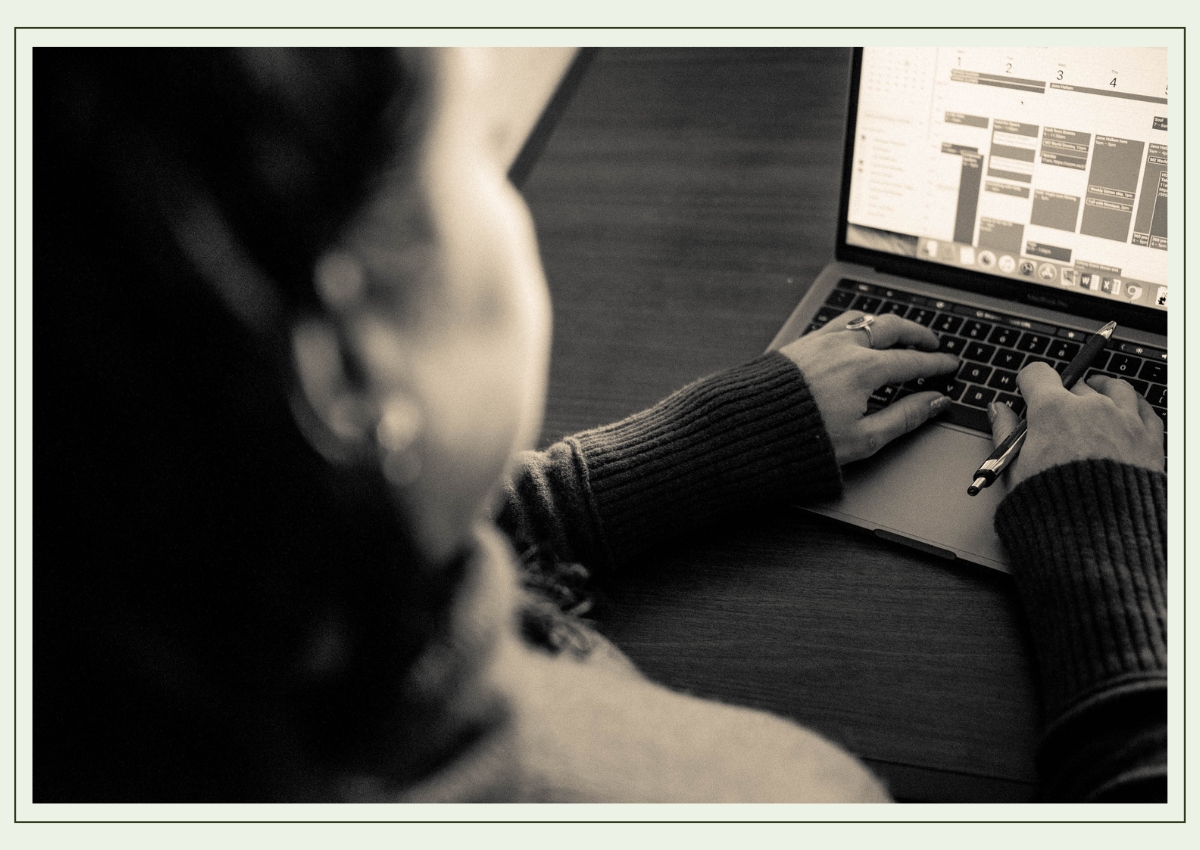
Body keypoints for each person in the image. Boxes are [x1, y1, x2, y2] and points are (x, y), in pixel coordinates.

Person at [34, 46, 1165, 803]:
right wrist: (1114, 593)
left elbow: (328, 541)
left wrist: (699, 447)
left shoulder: (110, 611)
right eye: (478, 154)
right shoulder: (757, 804)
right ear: (345, 345)